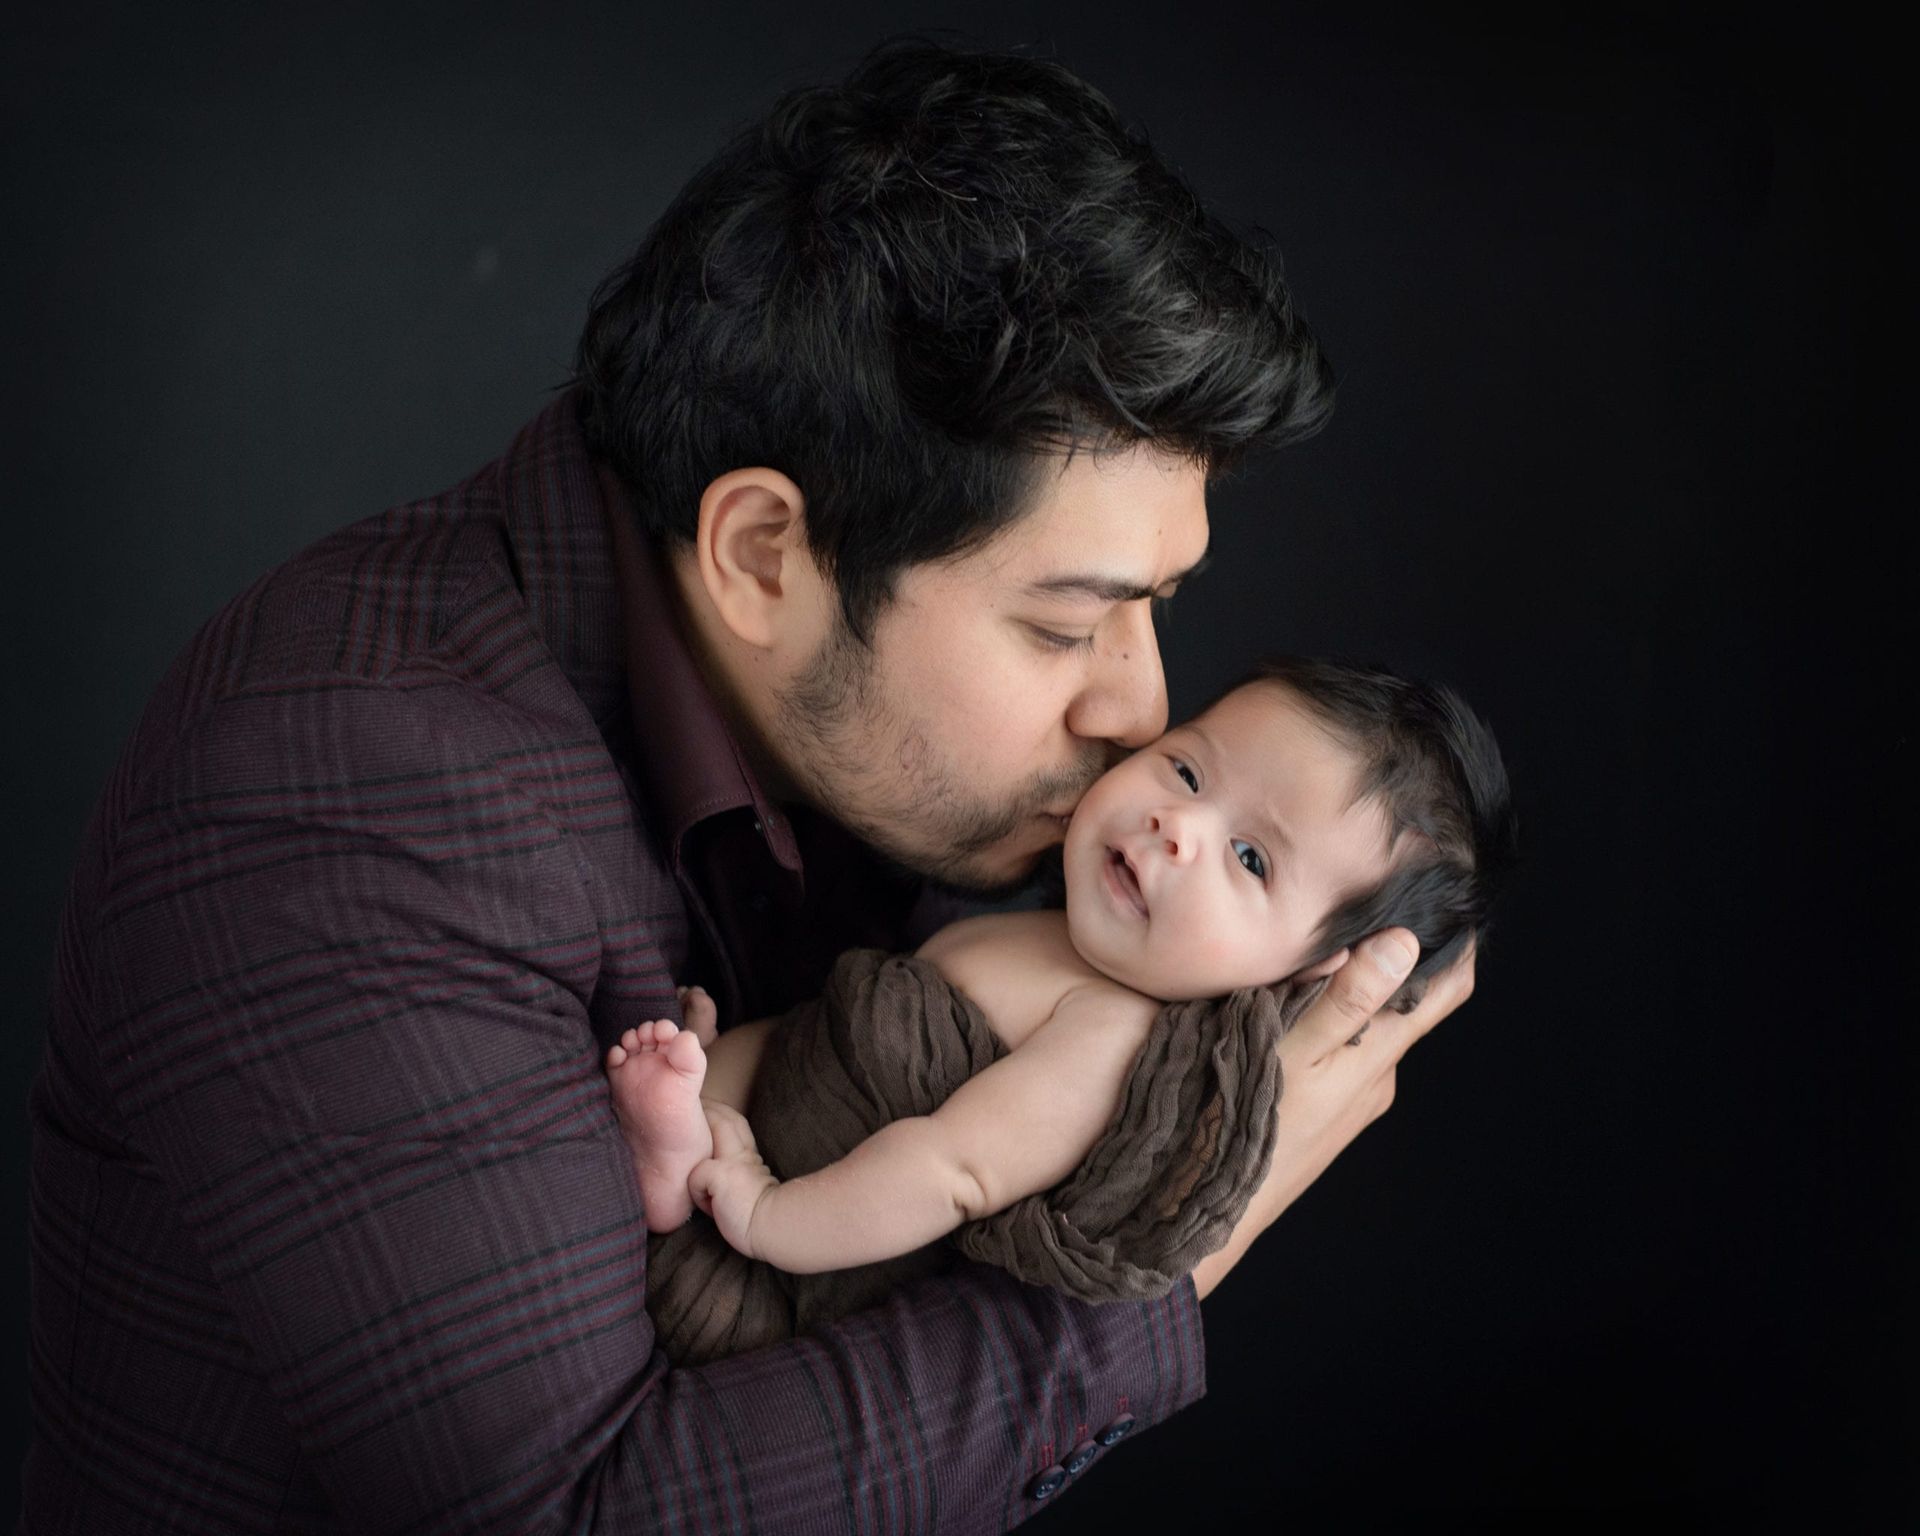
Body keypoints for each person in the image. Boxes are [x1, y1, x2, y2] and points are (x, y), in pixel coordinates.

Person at [22, 41, 1476, 1533]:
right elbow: (582, 1516)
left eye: (1157, 606)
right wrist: (1171, 1243)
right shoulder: (349, 795)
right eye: (1065, 624)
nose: (1141, 708)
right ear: (764, 557)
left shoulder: (883, 757)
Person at [608, 658, 1514, 1302]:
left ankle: (682, 1166)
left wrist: (772, 1218)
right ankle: (682, 1124)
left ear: (1308, 970)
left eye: (1250, 858)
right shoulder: (1052, 931)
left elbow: (952, 1170)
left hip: (787, 1250)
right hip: (778, 1113)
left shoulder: (1110, 1039)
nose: (1177, 826)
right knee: (787, 1041)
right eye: (1187, 770)